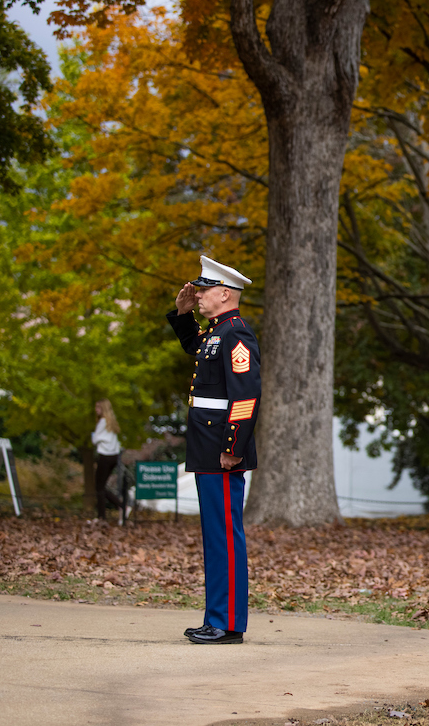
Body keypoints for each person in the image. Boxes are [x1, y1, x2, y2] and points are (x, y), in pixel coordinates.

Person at [168, 256, 261, 645]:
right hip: (208, 448)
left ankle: (227, 623)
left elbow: (246, 397)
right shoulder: (217, 332)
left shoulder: (236, 334)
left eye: (204, 291)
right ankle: (216, 618)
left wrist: (232, 448)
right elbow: (196, 348)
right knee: (215, 536)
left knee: (224, 536)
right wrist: (182, 314)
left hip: (221, 450)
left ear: (225, 293)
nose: (199, 295)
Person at [91, 399, 124, 522]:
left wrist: (94, 437)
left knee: (99, 487)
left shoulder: (102, 422)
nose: (96, 410)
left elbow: (95, 440)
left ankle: (103, 515)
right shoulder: (112, 424)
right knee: (102, 486)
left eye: (98, 408)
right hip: (114, 457)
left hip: (104, 456)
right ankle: (120, 507)